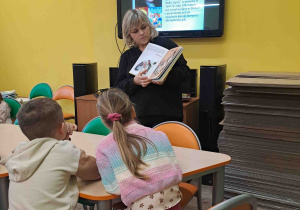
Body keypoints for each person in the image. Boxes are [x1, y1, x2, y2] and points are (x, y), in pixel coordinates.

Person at [0, 98, 100, 210]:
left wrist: (61, 134)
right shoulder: (64, 151)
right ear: (62, 128)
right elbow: (96, 170)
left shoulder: (19, 152)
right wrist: (65, 140)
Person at [95, 88, 183, 210]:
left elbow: (113, 189)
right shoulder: (160, 135)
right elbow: (177, 170)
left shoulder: (103, 147)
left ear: (103, 120)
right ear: (133, 111)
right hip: (174, 202)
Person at [116, 9, 190, 128]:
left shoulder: (167, 45)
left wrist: (167, 75)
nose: (141, 33)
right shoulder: (127, 56)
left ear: (149, 26)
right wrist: (134, 81)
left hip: (169, 114)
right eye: (135, 31)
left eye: (144, 27)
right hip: (139, 117)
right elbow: (119, 86)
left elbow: (185, 73)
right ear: (129, 34)